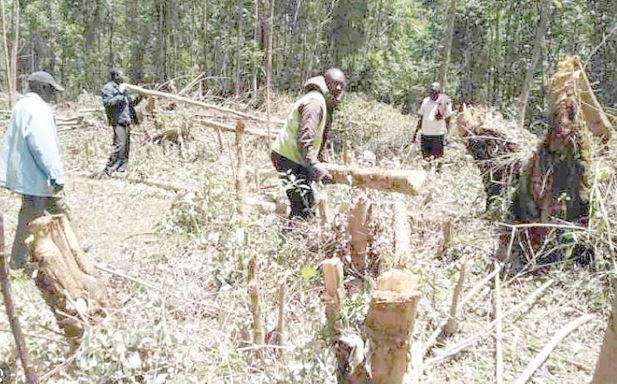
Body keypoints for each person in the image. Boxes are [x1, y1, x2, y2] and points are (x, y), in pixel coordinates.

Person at [0, 71, 68, 269]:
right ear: (43, 88)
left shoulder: (22, 106)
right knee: (31, 218)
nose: (53, 95)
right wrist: (54, 174)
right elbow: (42, 145)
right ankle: (18, 263)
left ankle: (71, 247)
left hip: (28, 173)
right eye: (51, 90)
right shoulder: (38, 108)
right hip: (37, 175)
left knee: (59, 211)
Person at [271, 68, 346, 221]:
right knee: (303, 207)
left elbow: (319, 138)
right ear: (325, 82)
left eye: (342, 85)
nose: (338, 88)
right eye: (335, 83)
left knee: (304, 204)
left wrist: (320, 161)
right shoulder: (315, 103)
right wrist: (314, 166)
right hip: (288, 158)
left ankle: (293, 233)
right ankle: (294, 238)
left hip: (294, 158)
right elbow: (305, 139)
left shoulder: (322, 101)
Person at [101, 68, 143, 176]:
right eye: (121, 75)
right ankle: (109, 169)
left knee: (126, 147)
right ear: (115, 76)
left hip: (127, 120)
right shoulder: (108, 88)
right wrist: (121, 95)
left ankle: (121, 169)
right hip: (118, 120)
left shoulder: (123, 88)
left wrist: (140, 96)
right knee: (119, 145)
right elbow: (108, 103)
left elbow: (130, 103)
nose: (123, 77)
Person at [413, 82, 453, 167]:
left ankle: (437, 176)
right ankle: (427, 176)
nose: (432, 94)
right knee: (425, 159)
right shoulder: (425, 101)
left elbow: (448, 119)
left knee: (438, 159)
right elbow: (421, 117)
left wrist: (448, 134)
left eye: (434, 92)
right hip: (425, 134)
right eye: (431, 92)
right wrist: (415, 133)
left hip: (438, 136)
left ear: (439, 92)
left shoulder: (444, 102)